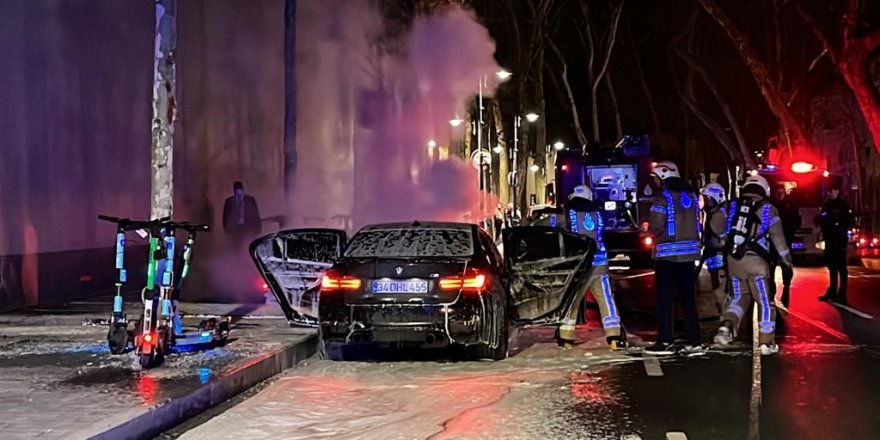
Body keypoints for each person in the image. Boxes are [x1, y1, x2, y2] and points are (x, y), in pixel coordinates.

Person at [714, 175, 792, 355]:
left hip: (733, 262)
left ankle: (726, 327)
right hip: (756, 263)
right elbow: (778, 239)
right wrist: (787, 261)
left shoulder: (732, 206)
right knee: (765, 302)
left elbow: (720, 231)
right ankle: (766, 343)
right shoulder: (768, 210)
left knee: (738, 299)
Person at [558, 185, 628, 351]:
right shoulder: (598, 215)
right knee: (606, 300)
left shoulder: (567, 215)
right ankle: (614, 337)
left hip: (579, 268)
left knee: (572, 302)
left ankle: (566, 339)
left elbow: (550, 224)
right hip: (599, 265)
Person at [646, 161, 703, 354]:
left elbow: (656, 225)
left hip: (667, 257)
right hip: (689, 255)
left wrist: (646, 231)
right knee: (688, 298)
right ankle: (694, 339)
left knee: (665, 299)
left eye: (655, 178)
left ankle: (665, 340)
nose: (653, 182)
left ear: (662, 177)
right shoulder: (692, 196)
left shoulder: (663, 197)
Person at [817, 182, 852, 305]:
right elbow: (822, 219)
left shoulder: (843, 205)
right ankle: (832, 290)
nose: (829, 193)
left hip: (839, 240)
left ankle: (842, 294)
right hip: (829, 240)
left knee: (841, 267)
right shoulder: (827, 205)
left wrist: (838, 227)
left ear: (837, 191)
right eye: (828, 191)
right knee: (832, 266)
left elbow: (848, 221)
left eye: (831, 191)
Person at [696, 183, 729, 312]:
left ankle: (727, 321)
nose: (704, 202)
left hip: (720, 262)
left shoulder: (718, 216)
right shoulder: (714, 214)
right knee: (718, 292)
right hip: (715, 261)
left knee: (721, 293)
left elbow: (721, 242)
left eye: (707, 199)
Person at [772, 185, 800, 307]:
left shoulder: (790, 204)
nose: (779, 195)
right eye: (777, 192)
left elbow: (797, 220)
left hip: (786, 239)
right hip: (772, 241)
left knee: (786, 266)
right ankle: (771, 293)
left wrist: (790, 229)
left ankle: (786, 289)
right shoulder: (770, 204)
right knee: (770, 266)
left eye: (781, 192)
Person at [222, 181, 262, 250]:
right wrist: (227, 230)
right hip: (235, 228)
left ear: (243, 191)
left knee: (247, 247)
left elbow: (256, 214)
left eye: (240, 193)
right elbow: (225, 216)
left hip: (247, 227)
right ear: (234, 193)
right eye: (237, 193)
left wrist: (257, 228)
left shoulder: (250, 200)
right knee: (236, 248)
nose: (239, 195)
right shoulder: (229, 202)